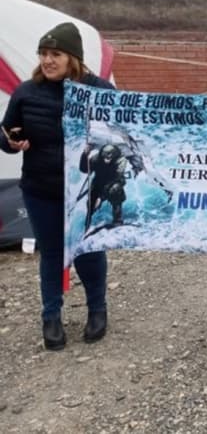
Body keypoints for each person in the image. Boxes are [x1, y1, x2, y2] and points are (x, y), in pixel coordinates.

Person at [0, 22, 115, 351]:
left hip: (87, 190)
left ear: (73, 59)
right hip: (41, 188)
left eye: (56, 54)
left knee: (89, 250)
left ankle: (97, 310)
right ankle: (51, 317)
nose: (47, 60)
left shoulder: (99, 91)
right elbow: (6, 134)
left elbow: (125, 128)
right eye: (44, 54)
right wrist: (11, 142)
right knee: (51, 253)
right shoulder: (27, 92)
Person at [80, 143, 128, 230]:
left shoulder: (121, 161)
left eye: (110, 157)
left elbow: (116, 178)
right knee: (91, 202)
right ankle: (87, 225)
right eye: (105, 157)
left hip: (113, 182)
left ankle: (118, 220)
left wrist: (101, 198)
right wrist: (85, 154)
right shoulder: (96, 158)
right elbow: (84, 169)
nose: (107, 160)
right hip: (99, 182)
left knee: (115, 190)